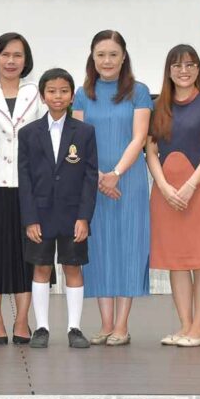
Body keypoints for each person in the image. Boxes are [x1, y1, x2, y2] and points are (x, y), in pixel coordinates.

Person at [71, 30, 153, 346]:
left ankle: (122, 325)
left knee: (128, 249)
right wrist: (98, 176)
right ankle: (105, 324)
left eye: (113, 54)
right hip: (92, 181)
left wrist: (116, 173)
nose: (107, 61)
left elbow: (139, 137)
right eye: (101, 55)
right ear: (92, 58)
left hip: (128, 181)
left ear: (123, 57)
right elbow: (77, 138)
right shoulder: (82, 94)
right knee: (100, 250)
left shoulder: (139, 92)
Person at [146, 44, 200, 348]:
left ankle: (199, 328)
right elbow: (151, 151)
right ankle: (184, 325)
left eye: (190, 65)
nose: (184, 71)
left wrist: (191, 185)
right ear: (168, 71)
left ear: (198, 69)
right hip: (166, 195)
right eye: (178, 65)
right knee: (177, 262)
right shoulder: (158, 107)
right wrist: (163, 186)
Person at [18, 68, 98, 349]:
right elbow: (25, 179)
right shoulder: (28, 133)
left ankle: (74, 328)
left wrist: (84, 217)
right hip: (40, 215)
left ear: (72, 96)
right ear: (42, 96)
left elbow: (90, 178)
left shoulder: (85, 132)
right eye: (51, 91)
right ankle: (41, 327)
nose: (58, 96)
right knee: (41, 268)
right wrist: (30, 219)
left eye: (64, 91)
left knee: (73, 267)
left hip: (72, 215)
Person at [0, 32, 44, 345]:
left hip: (29, 187)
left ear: (26, 60)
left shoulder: (38, 94)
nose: (10, 61)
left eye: (17, 55)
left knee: (25, 256)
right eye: (5, 54)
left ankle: (21, 319)